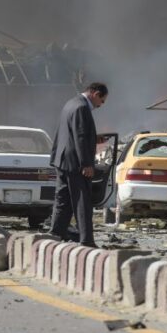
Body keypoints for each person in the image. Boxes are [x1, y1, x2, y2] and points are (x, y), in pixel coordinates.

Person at [49, 82, 108, 248]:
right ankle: (86, 240)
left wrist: (95, 139)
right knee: (82, 201)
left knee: (63, 200)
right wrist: (86, 164)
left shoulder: (71, 103)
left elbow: (72, 132)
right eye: (102, 101)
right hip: (75, 162)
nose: (100, 105)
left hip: (62, 160)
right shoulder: (82, 107)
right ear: (95, 94)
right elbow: (80, 136)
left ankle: (55, 235)